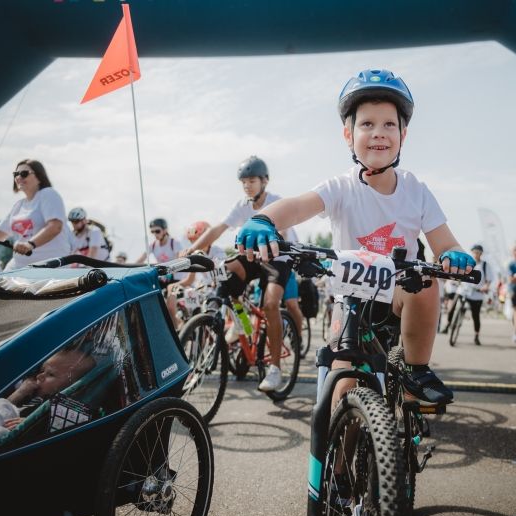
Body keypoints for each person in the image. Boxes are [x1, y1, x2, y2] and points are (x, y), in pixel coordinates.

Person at [234, 69, 475, 406]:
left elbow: (445, 243)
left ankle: (416, 372)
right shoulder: (341, 187)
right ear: (348, 134)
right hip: (350, 302)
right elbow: (298, 205)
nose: (379, 133)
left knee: (424, 281)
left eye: (389, 124)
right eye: (367, 124)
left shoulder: (416, 191)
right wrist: (264, 219)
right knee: (341, 393)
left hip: (396, 298)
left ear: (403, 135)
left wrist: (454, 254)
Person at [184, 156, 295, 392]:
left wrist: (278, 237)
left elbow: (284, 229)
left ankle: (275, 369)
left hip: (278, 256)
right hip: (253, 256)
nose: (247, 186)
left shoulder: (276, 201)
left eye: (252, 181)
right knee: (226, 271)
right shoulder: (242, 205)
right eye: (243, 182)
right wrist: (192, 250)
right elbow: (217, 229)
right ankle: (241, 322)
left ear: (264, 181)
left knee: (270, 304)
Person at [0, 347, 96, 456]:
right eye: (42, 371)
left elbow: (53, 430)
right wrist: (20, 393)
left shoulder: (65, 408)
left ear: (72, 385)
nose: (39, 377)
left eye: (51, 375)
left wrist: (31, 424)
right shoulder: (37, 396)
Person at [0, 160, 71, 271]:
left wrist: (30, 244)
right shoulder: (19, 205)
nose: (18, 177)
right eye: (16, 174)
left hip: (49, 267)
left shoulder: (48, 194)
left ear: (39, 176)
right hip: (20, 266)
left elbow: (55, 226)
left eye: (24, 173)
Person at [165, 220, 225, 329]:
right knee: (184, 297)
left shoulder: (217, 251)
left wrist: (214, 282)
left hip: (218, 290)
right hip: (202, 290)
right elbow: (190, 280)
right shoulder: (195, 254)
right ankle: (181, 327)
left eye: (197, 239)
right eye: (191, 241)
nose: (195, 244)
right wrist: (175, 285)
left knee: (234, 305)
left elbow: (221, 275)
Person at [457, 244, 492, 345]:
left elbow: (489, 280)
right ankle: (451, 323)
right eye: (475, 252)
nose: (476, 254)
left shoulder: (485, 265)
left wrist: (486, 286)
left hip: (477, 293)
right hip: (464, 290)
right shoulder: (467, 262)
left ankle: (476, 335)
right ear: (472, 252)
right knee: (454, 305)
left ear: (481, 253)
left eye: (478, 252)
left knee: (475, 315)